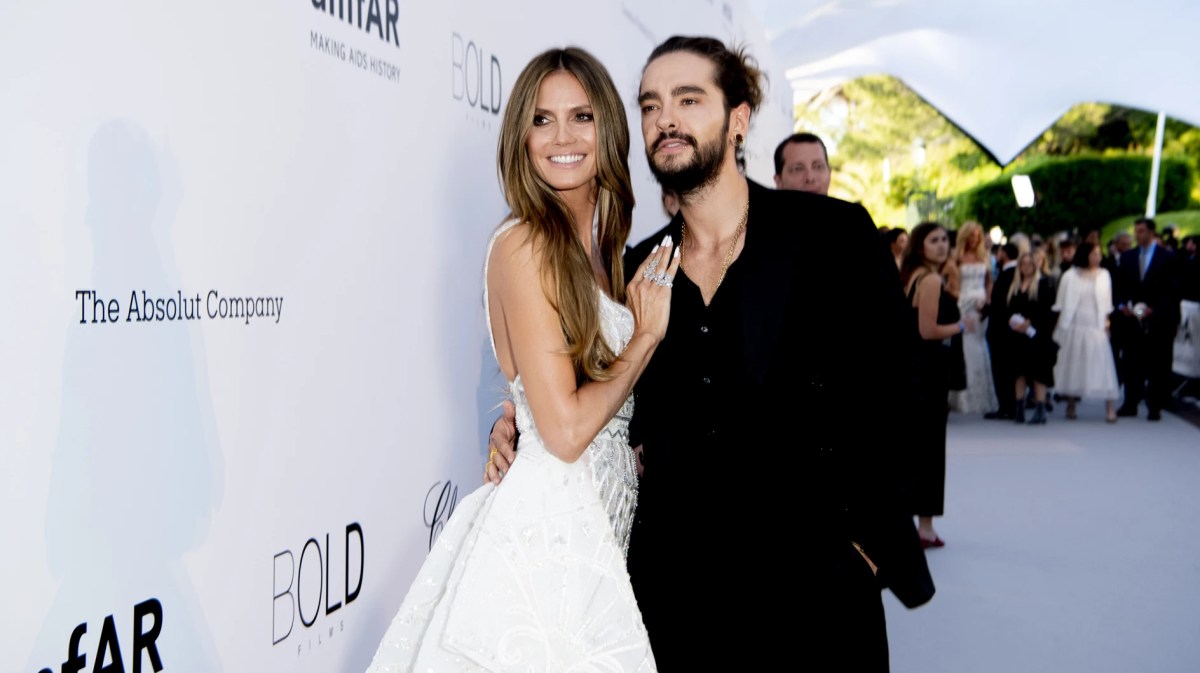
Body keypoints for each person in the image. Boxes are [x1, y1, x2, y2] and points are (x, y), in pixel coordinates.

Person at [491, 36, 931, 670]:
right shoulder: (632, 272)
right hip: (677, 610)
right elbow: (594, 403)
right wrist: (513, 422)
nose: (666, 119)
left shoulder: (831, 237)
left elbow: (902, 390)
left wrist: (865, 549)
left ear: (739, 120)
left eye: (689, 99)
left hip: (819, 602)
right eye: (650, 106)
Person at [366, 47, 673, 672]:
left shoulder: (601, 253)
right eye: (541, 119)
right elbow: (561, 432)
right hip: (546, 546)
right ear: (520, 138)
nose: (562, 136)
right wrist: (643, 339)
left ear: (606, 127)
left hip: (590, 541)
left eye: (581, 116)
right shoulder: (526, 243)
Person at [901, 222, 965, 548]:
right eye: (934, 240)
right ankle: (925, 529)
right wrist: (959, 325)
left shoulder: (911, 275)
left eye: (945, 240)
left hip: (913, 371)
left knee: (915, 449)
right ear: (920, 245)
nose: (942, 245)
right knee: (929, 450)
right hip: (926, 372)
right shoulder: (930, 280)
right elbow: (927, 330)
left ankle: (913, 525)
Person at [1114, 217, 1180, 420]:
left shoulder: (1167, 258)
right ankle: (1130, 402)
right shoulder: (1127, 257)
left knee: (1157, 363)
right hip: (1132, 319)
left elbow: (1172, 289)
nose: (1137, 234)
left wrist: (1156, 309)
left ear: (1151, 232)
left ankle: (1154, 405)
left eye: (1141, 231)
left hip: (1158, 319)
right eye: (1136, 231)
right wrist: (1122, 305)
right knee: (1131, 361)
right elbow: (1119, 286)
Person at [1052, 242, 1120, 422]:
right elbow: (1060, 303)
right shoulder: (1069, 276)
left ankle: (1110, 407)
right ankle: (1071, 403)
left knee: (1103, 363)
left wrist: (1107, 323)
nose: (1098, 257)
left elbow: (1107, 302)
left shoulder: (1104, 275)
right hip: (1074, 323)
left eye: (1099, 254)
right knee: (1074, 362)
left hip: (1095, 323)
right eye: (1094, 254)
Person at [1002, 252, 1058, 424]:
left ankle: (1040, 408)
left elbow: (1046, 310)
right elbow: (1007, 308)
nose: (1026, 266)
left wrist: (1030, 322)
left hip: (1036, 336)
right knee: (1018, 372)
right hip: (1017, 335)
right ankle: (1019, 407)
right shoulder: (1014, 285)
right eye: (1023, 263)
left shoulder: (1043, 284)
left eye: (1029, 263)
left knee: (1038, 373)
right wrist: (1012, 321)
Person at [949, 221, 998, 414]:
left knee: (979, 346)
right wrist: (960, 298)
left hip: (979, 306)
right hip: (962, 303)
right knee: (965, 347)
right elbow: (951, 283)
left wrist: (986, 301)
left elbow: (988, 283)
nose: (974, 239)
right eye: (971, 236)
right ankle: (963, 397)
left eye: (977, 236)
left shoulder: (984, 256)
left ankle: (982, 395)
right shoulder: (956, 257)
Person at [984, 242, 1020, 419]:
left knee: (1001, 369)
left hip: (1001, 330)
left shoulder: (1008, 274)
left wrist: (985, 310)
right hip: (1008, 329)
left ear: (1003, 253)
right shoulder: (1014, 272)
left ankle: (1006, 406)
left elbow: (999, 304)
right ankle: (1009, 405)